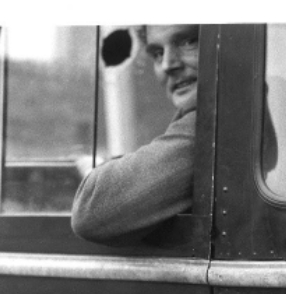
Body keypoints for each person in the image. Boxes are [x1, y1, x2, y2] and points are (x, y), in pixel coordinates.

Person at [71, 24, 198, 243]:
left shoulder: (209, 127)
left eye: (188, 42)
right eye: (157, 54)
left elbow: (90, 211)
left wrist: (99, 173)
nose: (168, 64)